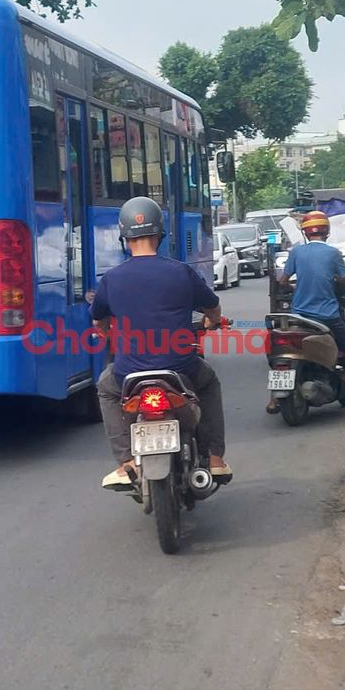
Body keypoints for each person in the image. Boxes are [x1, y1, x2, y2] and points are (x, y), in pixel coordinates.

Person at [91, 196, 234, 491]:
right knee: (208, 383)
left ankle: (125, 463)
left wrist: (106, 332)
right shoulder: (181, 272)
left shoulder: (112, 279)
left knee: (105, 387)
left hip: (128, 373)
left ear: (124, 235)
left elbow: (99, 321)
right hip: (181, 368)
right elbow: (213, 308)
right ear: (161, 233)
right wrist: (212, 321)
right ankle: (216, 458)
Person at [275, 210, 345, 416]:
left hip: (299, 316)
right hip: (328, 316)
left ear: (305, 233)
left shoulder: (296, 253)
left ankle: (273, 401)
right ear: (327, 232)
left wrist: (294, 288)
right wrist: (339, 280)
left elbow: (283, 281)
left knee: (286, 353)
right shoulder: (333, 254)